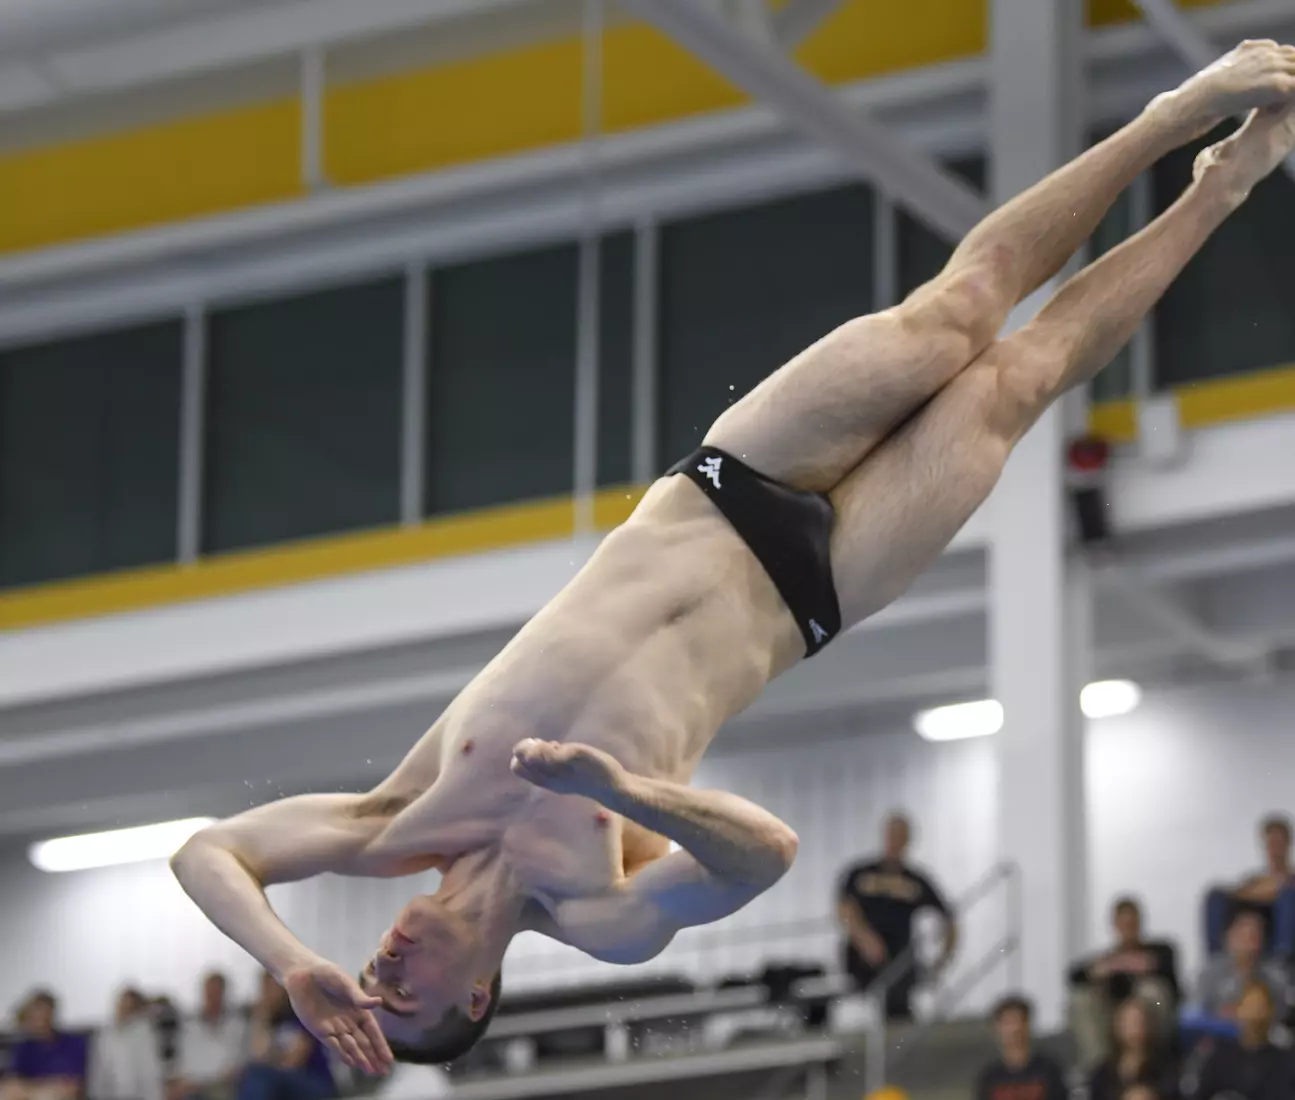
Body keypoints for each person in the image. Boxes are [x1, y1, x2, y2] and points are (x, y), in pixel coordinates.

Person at [170, 43, 1295, 1076]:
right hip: (816, 588)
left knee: (955, 313)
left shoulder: (394, 821)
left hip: (721, 487)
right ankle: (1221, 186)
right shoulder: (595, 910)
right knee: (1017, 380)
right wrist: (617, 788)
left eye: (368, 972)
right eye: (400, 998)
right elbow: (767, 851)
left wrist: (284, 960)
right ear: (481, 991)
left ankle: (1180, 110)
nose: (382, 969)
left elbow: (209, 852)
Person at [836, 812, 956, 1020]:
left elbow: (949, 919)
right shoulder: (861, 872)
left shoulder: (916, 880)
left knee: (899, 998)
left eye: (900, 835)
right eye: (892, 834)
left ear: (908, 840)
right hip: (862, 956)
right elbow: (844, 909)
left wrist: (941, 961)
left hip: (900, 957)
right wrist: (864, 939)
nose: (895, 840)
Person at [1070, 896, 1180, 1067]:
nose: (1128, 929)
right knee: (1081, 998)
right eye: (1124, 924)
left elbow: (1170, 975)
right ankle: (1099, 1066)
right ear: (1116, 926)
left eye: (1132, 923)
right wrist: (1105, 969)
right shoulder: (1107, 959)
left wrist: (1140, 965)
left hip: (1153, 1014)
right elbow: (1074, 975)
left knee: (1155, 991)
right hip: (1114, 1019)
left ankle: (1156, 1060)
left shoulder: (1160, 951)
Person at [1205, 815, 1295, 958]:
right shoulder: (1254, 879)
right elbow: (1237, 895)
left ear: (1288, 844)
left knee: (1289, 895)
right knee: (1215, 895)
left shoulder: (1291, 877)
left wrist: (1267, 891)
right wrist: (1267, 890)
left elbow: (1280, 891)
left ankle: (1283, 959)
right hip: (1256, 924)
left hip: (1280, 929)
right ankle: (1217, 959)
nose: (1274, 849)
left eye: (1278, 842)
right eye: (1270, 843)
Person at [1192, 980, 1295, 1100]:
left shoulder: (1285, 1063)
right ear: (1238, 1011)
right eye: (1250, 1007)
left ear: (1271, 1013)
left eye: (1260, 1008)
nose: (1255, 1016)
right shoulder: (1220, 1057)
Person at [236, 976, 334, 1100]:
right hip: (280, 1081)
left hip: (314, 1081)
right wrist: (262, 1017)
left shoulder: (301, 1016)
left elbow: (294, 1061)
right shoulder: (271, 1022)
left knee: (261, 1075)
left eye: (271, 988)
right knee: (253, 1073)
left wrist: (271, 1064)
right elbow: (258, 1056)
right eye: (264, 989)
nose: (267, 994)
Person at [1191, 911, 1290, 1022]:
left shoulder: (1274, 975)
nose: (1248, 943)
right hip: (1217, 1032)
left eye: (1254, 936)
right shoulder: (1210, 973)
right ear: (1228, 937)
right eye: (1242, 935)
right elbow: (1198, 1012)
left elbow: (1282, 1013)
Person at [169, 973, 248, 1100]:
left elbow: (235, 1066)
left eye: (215, 991)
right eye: (208, 992)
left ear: (223, 994)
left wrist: (200, 1083)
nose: (211, 996)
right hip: (189, 1085)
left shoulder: (237, 1026)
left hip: (221, 1086)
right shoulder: (190, 1026)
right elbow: (181, 1061)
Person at [974, 996, 1067, 1100]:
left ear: (1027, 1024)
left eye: (1018, 1020)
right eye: (1007, 1023)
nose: (1014, 1029)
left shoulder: (1048, 1070)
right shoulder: (989, 1077)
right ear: (997, 1028)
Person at [1, 991, 88, 1100]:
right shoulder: (24, 1048)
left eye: (43, 1011)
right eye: (34, 1013)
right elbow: (12, 1086)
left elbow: (71, 1088)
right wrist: (41, 1088)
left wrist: (33, 1088)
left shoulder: (74, 1043)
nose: (39, 1018)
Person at [1088, 998, 1179, 1100]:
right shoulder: (1104, 1072)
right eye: (1129, 1022)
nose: (1135, 1028)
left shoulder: (1164, 1067)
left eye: (1139, 1022)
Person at [88, 988, 165, 1100]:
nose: (123, 1011)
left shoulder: (146, 1034)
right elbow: (98, 1074)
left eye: (129, 1008)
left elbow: (151, 1076)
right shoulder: (104, 1035)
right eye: (122, 1005)